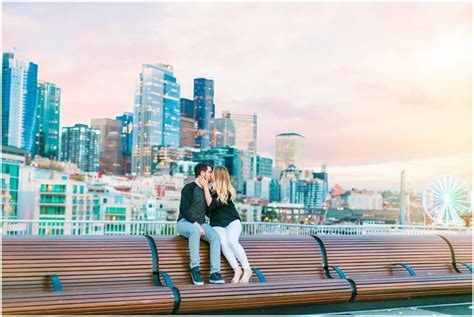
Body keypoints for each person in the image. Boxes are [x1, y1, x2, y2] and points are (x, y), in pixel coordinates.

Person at [197, 166, 252, 284]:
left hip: (232, 222)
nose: (210, 175)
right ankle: (236, 269)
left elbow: (211, 205)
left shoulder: (226, 192)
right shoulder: (209, 190)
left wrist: (206, 187)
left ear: (217, 176)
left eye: (212, 173)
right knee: (222, 242)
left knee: (232, 241)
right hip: (217, 224)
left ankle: (247, 269)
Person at [177, 162, 225, 285]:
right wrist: (196, 225)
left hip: (201, 224)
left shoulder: (207, 190)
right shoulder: (189, 188)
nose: (212, 175)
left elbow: (209, 211)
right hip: (185, 223)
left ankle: (215, 273)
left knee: (215, 237)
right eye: (210, 172)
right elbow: (183, 210)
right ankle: (195, 269)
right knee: (194, 231)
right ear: (202, 173)